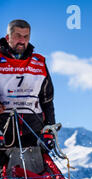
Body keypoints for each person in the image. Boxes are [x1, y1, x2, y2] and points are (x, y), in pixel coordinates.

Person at [0, 19, 56, 169]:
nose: (22, 41)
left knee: (39, 178)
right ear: (8, 37)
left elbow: (47, 101)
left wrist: (49, 129)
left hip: (33, 132)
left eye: (26, 37)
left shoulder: (39, 62)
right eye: (18, 36)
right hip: (4, 131)